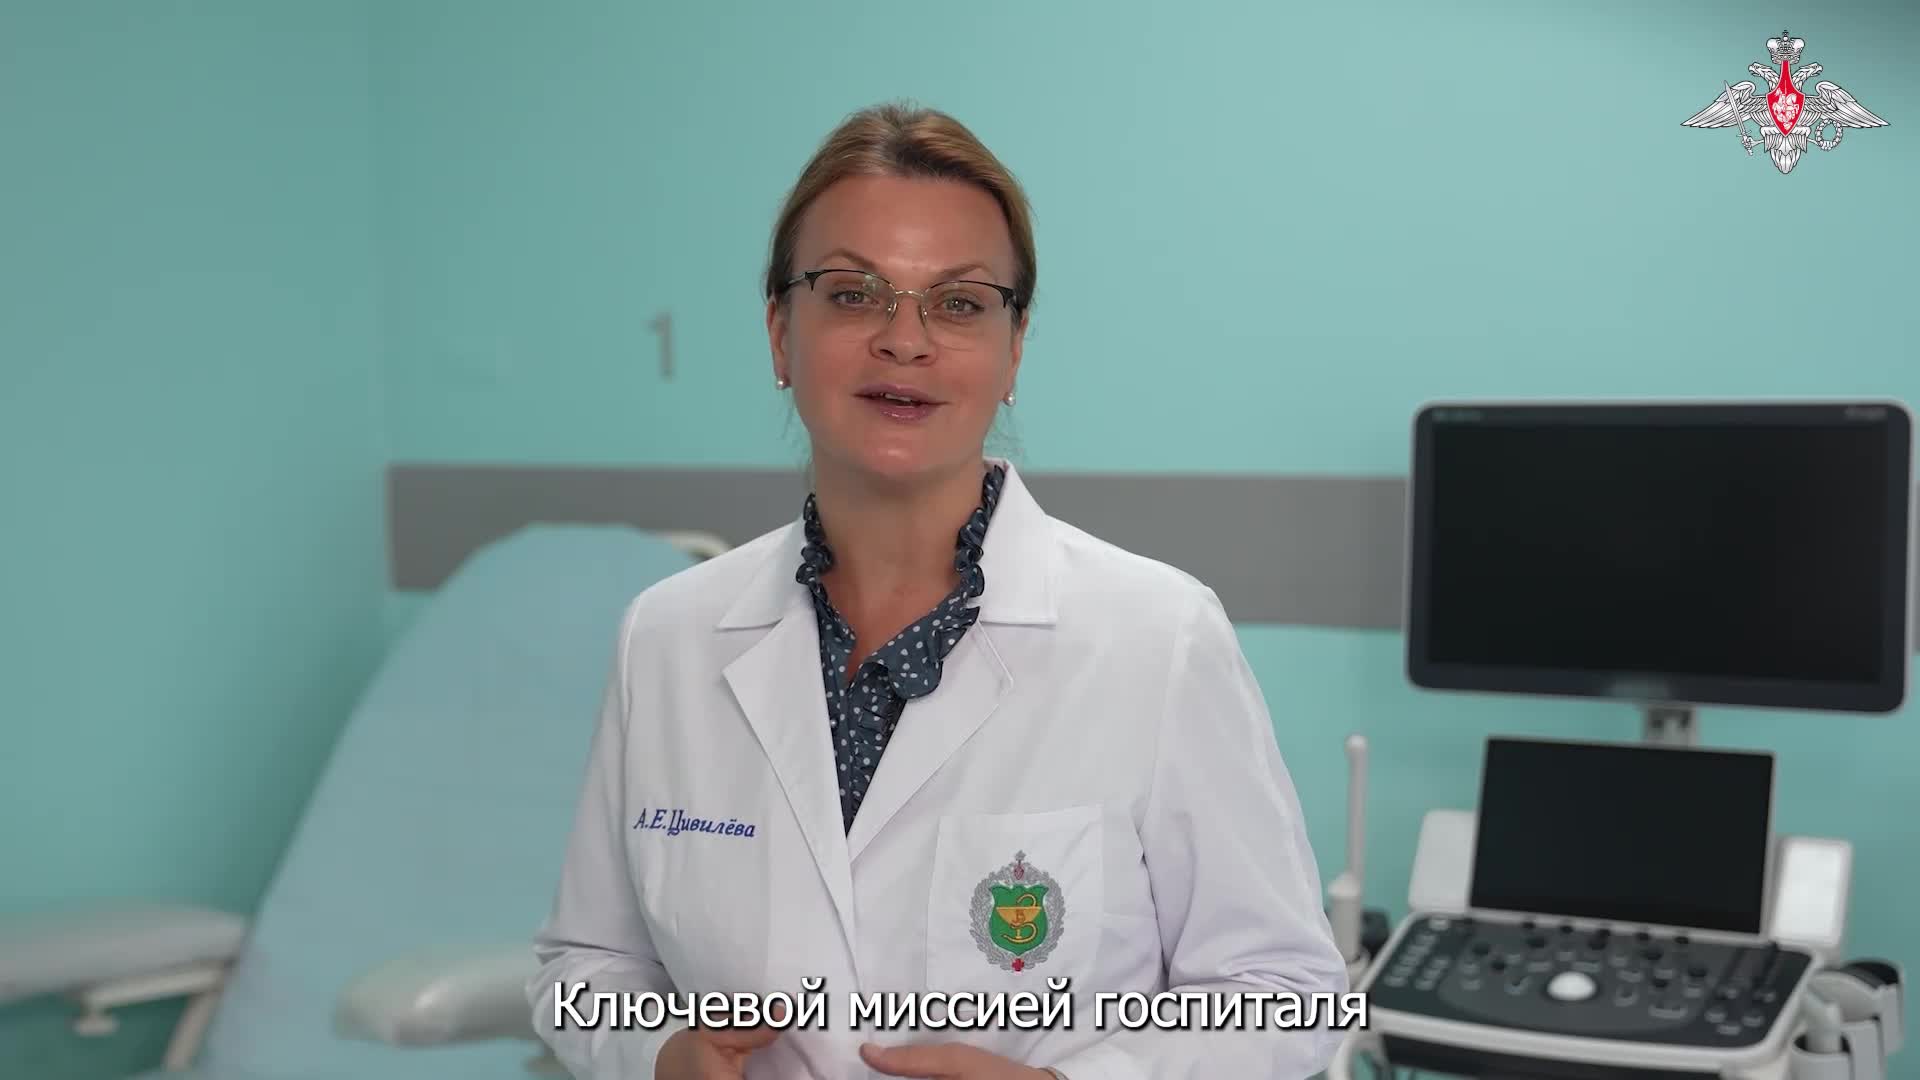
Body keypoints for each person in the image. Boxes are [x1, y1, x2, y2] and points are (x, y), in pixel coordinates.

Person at [527, 100, 1349, 1080]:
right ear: (781, 333)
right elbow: (582, 967)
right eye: (852, 293)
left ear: (1013, 349)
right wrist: (660, 1053)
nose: (905, 340)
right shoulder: (668, 636)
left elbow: (1288, 994)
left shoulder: (1157, 636)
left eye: (958, 303)